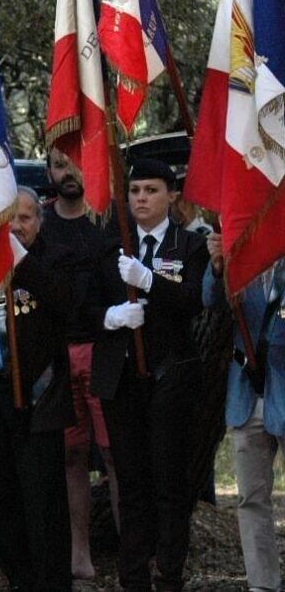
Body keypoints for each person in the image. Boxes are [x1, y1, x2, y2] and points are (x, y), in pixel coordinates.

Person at [87, 158, 206, 592]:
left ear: (171, 195)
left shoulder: (189, 245)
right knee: (131, 484)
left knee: (169, 484)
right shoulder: (109, 247)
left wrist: (150, 281)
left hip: (170, 376)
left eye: (151, 190)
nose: (141, 198)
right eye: (135, 190)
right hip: (122, 380)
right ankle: (133, 576)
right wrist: (112, 316)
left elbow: (196, 300)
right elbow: (82, 310)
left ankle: (169, 574)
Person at [0, 186, 74, 590]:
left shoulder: (56, 258)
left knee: (42, 506)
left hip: (37, 398)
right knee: (4, 502)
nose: (14, 226)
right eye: (7, 218)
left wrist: (21, 260)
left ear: (40, 221)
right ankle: (19, 581)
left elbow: (65, 302)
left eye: (25, 217)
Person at [40, 147, 118, 580]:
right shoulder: (42, 223)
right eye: (58, 164)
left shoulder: (109, 220)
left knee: (114, 453)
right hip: (59, 355)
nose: (67, 172)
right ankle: (79, 554)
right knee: (71, 456)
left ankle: (132, 554)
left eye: (75, 160)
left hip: (106, 351)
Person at [206, 245, 285, 592]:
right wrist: (219, 268)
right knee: (251, 497)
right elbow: (210, 300)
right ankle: (262, 583)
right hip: (246, 391)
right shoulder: (240, 258)